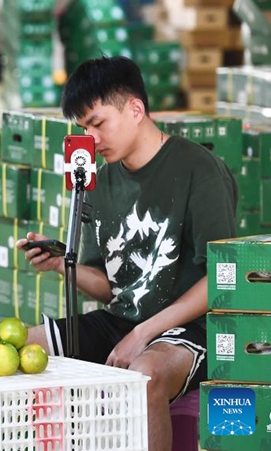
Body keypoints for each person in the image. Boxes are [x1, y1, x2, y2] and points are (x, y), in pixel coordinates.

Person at [16, 56, 236, 451]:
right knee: (20, 348)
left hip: (190, 328)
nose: (91, 139)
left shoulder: (199, 170)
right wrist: (61, 264)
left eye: (98, 123)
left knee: (144, 375)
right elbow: (110, 286)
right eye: (83, 128)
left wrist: (144, 333)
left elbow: (221, 280)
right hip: (123, 320)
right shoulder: (96, 182)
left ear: (135, 109)